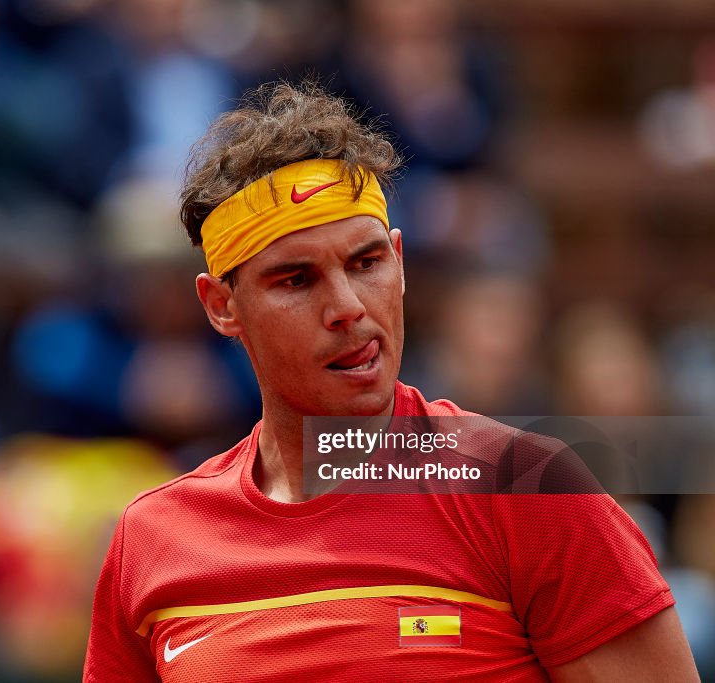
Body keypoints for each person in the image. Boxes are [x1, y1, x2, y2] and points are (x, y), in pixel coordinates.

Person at [83, 82, 699, 681]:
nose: (348, 306)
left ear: (400, 263)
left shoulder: (528, 489)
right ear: (222, 306)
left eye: (366, 263)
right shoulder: (153, 539)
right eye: (296, 279)